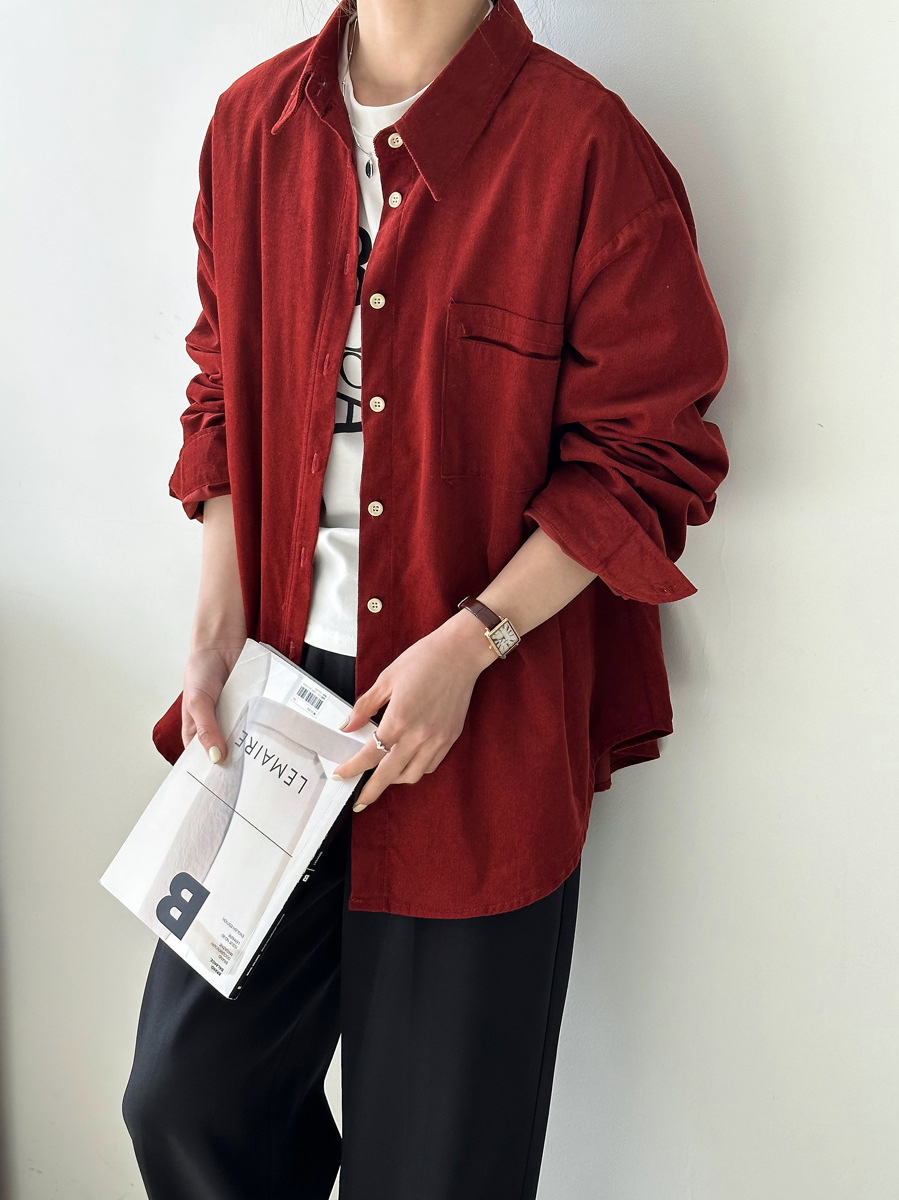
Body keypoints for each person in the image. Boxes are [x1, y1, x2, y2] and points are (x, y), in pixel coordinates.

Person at [121, 0, 730, 1196]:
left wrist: (476, 639)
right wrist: (212, 635)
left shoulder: (583, 147)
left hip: (480, 714)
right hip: (278, 702)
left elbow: (648, 450)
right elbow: (222, 392)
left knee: (438, 1172)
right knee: (185, 1099)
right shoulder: (252, 126)